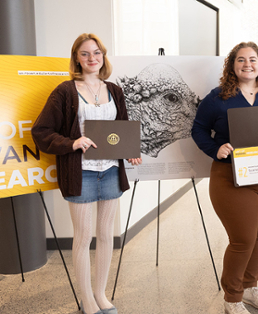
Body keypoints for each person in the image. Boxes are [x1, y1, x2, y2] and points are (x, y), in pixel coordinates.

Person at [32, 33, 142, 314]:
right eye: (85, 54)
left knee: (106, 235)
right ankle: (87, 301)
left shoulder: (114, 90)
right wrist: (72, 142)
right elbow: (42, 132)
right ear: (76, 59)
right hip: (81, 173)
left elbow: (122, 127)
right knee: (83, 237)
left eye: (97, 53)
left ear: (103, 57)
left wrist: (130, 149)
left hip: (110, 170)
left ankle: (100, 293)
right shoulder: (65, 91)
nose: (92, 58)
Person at [191, 42, 258, 314]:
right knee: (243, 239)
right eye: (241, 60)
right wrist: (216, 149)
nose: (247, 64)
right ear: (232, 65)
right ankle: (232, 298)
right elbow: (199, 129)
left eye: (252, 59)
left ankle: (250, 288)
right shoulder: (217, 98)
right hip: (231, 176)